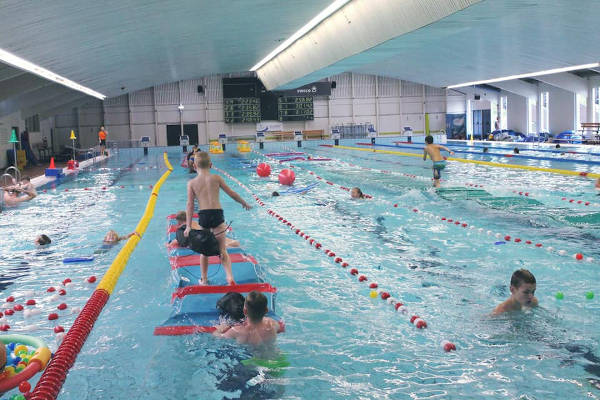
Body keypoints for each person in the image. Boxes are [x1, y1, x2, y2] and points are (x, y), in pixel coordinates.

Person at [184, 151, 251, 285]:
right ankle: (230, 277)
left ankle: (204, 279)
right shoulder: (217, 178)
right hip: (217, 214)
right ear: (211, 165)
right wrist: (244, 202)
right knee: (222, 250)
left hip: (204, 216)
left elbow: (190, 205)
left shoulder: (192, 183)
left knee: (204, 251)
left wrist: (188, 226)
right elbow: (231, 193)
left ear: (194, 166)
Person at [213, 291, 279, 346]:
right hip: (280, 360)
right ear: (266, 310)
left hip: (254, 361)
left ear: (244, 311)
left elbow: (216, 337)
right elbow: (280, 329)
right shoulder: (272, 323)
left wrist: (219, 330)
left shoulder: (237, 331)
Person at [170, 211, 240, 248]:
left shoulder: (184, 227)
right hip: (212, 233)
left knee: (222, 246)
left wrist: (169, 245)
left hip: (205, 239)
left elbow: (178, 240)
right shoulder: (195, 222)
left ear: (179, 221)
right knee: (234, 243)